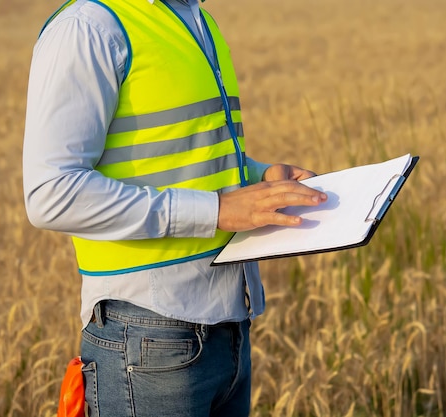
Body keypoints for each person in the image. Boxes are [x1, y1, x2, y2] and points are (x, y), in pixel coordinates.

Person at [22, 0, 327, 416]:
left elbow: (186, 157)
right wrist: (216, 210)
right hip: (147, 337)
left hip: (229, 330)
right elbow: (51, 193)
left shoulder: (194, 18)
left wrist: (259, 177)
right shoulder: (88, 27)